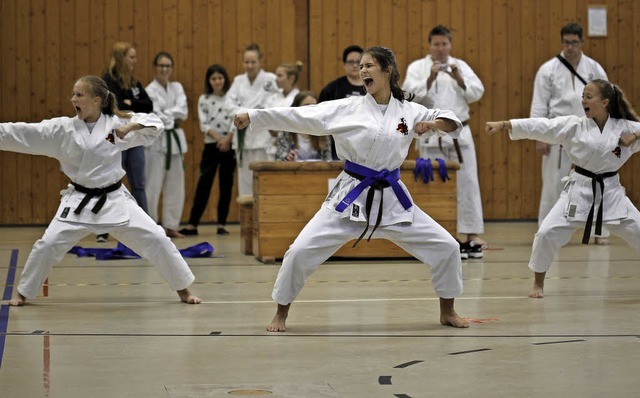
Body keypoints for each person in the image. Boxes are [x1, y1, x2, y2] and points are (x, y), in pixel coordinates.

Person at [235, 46, 468, 332]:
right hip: (350, 195)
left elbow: (451, 120)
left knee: (447, 247)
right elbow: (299, 116)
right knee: (299, 251)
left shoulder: (410, 110)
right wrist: (254, 116)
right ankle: (281, 313)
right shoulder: (347, 108)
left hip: (392, 198)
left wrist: (433, 123)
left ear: (388, 71)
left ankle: (448, 311)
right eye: (361, 66)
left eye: (369, 65)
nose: (363, 71)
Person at [0, 76, 201, 306]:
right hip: (78, 201)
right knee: (48, 244)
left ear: (96, 100)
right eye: (73, 94)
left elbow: (156, 125)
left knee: (156, 237)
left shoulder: (116, 125)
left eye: (79, 95)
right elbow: (23, 133)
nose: (73, 99)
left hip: (114, 199)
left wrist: (131, 126)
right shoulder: (62, 129)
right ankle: (23, 293)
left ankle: (184, 290)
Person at [486, 79, 640, 299]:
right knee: (546, 232)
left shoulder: (624, 128)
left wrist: (635, 136)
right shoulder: (573, 125)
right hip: (579, 190)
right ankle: (538, 283)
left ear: (605, 102)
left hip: (611, 192)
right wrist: (505, 124)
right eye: (583, 96)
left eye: (589, 97)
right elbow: (541, 126)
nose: (583, 101)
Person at [402, 25, 486, 258]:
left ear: (450, 45)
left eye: (444, 44)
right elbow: (408, 94)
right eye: (436, 44)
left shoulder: (461, 66)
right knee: (435, 184)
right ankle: (440, 234)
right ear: (429, 46)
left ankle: (471, 234)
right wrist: (429, 78)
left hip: (460, 136)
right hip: (431, 136)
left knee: (468, 184)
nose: (440, 48)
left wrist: (459, 79)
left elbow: (478, 92)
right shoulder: (418, 67)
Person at [531, 22, 609, 244]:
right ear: (562, 42)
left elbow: (606, 101)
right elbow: (539, 106)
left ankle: (598, 231)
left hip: (590, 132)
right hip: (558, 132)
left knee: (596, 182)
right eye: (567, 42)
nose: (570, 47)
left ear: (582, 42)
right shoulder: (548, 70)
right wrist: (539, 136)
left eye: (575, 42)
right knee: (554, 184)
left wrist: (606, 131)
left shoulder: (594, 69)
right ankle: (547, 231)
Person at [100, 42, 154, 243]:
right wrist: (129, 104)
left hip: (134, 138)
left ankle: (145, 226)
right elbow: (115, 106)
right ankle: (105, 228)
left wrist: (131, 103)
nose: (135, 61)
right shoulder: (107, 81)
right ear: (121, 58)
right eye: (131, 57)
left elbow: (148, 106)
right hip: (115, 138)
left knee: (138, 183)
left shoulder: (134, 83)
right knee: (111, 182)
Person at [180, 64, 237, 236]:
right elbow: (203, 124)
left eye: (220, 78)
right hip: (211, 145)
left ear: (225, 79)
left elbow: (236, 119)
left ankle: (221, 223)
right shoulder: (204, 99)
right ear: (209, 81)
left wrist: (227, 138)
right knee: (204, 184)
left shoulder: (231, 98)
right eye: (214, 78)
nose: (217, 81)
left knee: (226, 185)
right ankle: (193, 223)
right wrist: (218, 138)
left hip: (229, 144)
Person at [145, 51, 188, 239]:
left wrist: (166, 113)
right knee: (152, 185)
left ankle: (171, 225)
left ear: (172, 68)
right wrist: (170, 114)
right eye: (161, 66)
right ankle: (151, 225)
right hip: (156, 141)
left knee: (176, 186)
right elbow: (155, 115)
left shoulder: (177, 87)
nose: (164, 69)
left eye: (167, 66)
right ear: (155, 68)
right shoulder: (149, 90)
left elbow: (184, 111)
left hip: (176, 141)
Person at [225, 43, 278, 197]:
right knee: (245, 180)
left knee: (264, 179)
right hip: (243, 137)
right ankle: (247, 220)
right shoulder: (238, 81)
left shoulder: (270, 79)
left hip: (263, 137)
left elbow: (275, 104)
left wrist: (250, 114)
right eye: (246, 62)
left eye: (253, 62)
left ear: (260, 61)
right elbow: (228, 105)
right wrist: (247, 114)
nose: (249, 65)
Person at [318, 45, 366, 159]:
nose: (355, 65)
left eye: (358, 62)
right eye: (350, 62)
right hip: (339, 145)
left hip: (366, 144)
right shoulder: (332, 89)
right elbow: (321, 115)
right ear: (344, 64)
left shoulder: (373, 88)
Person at [274, 91, 332, 162]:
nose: (310, 109)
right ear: (296, 108)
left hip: (317, 171)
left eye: (314, 106)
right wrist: (287, 158)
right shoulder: (286, 131)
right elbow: (278, 159)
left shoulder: (322, 130)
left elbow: (328, 160)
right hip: (293, 171)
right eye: (306, 105)